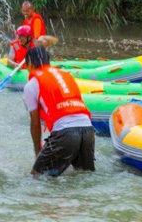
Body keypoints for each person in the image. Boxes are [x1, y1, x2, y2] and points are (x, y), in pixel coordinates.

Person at [23, 47, 95, 177]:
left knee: (36, 176)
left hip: (65, 133)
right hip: (87, 130)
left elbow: (35, 123)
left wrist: (38, 153)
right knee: (84, 175)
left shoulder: (32, 84)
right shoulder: (66, 76)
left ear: (31, 64)